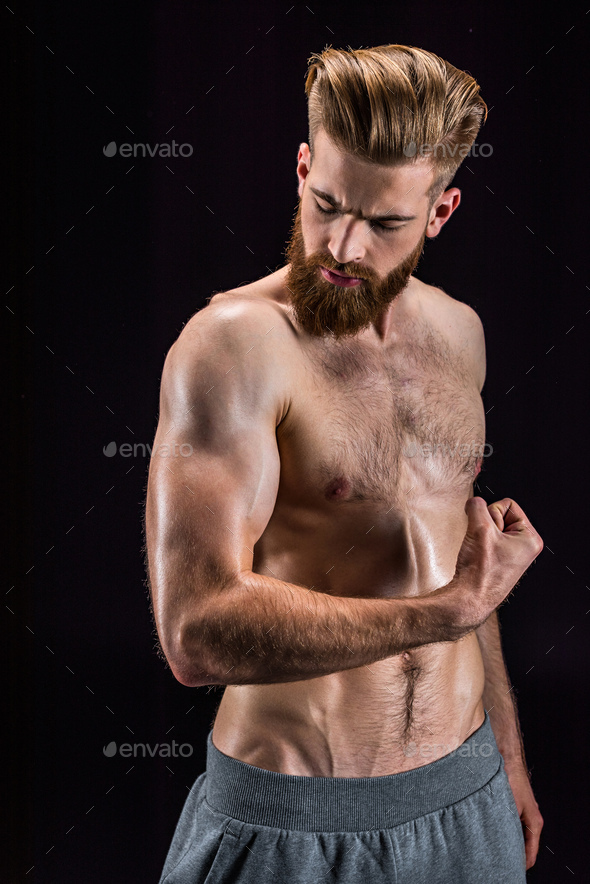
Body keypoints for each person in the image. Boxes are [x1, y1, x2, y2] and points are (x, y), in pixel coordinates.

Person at [146, 43, 544, 883]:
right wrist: (445, 611)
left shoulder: (460, 333)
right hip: (298, 824)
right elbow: (195, 631)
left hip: (467, 798)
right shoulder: (230, 348)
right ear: (301, 167)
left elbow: (467, 570)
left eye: (386, 223)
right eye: (325, 202)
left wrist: (506, 749)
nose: (344, 246)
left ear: (440, 212)